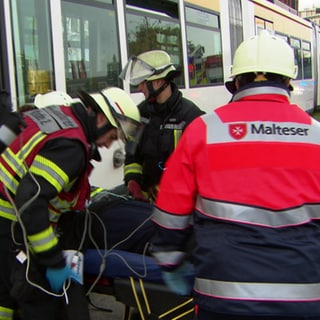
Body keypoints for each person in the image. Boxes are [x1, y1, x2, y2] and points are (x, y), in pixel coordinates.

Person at [149, 30, 320, 320]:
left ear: (237, 81)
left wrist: (170, 261)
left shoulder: (203, 130)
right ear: (289, 81)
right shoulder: (316, 136)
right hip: (306, 297)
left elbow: (170, 214)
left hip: (224, 297)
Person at [0, 87, 141, 320]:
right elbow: (30, 202)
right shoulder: (71, 147)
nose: (108, 145)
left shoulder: (56, 116)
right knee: (39, 303)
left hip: (8, 223)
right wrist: (52, 260)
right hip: (12, 227)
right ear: (102, 118)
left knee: (5, 299)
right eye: (113, 136)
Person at [120, 49, 205, 202]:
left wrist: (171, 188)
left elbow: (201, 169)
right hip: (146, 204)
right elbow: (132, 155)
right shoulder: (139, 114)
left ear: (158, 82)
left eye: (143, 83)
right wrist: (133, 181)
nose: (139, 88)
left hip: (180, 206)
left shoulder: (191, 117)